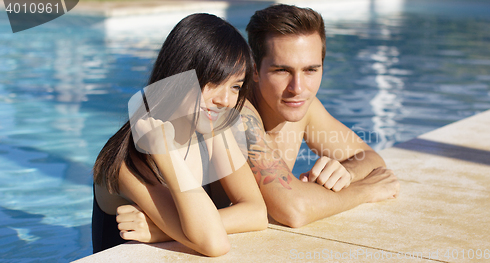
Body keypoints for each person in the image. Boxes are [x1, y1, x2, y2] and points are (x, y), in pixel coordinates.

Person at [117, 4, 400, 239]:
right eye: (282, 70)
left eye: (311, 69)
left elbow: (369, 157)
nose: (298, 87)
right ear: (254, 70)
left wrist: (347, 173)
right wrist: (365, 190)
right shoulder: (232, 114)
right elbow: (293, 209)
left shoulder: (303, 105)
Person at [92, 13, 267, 257]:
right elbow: (213, 242)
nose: (226, 100)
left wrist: (162, 231)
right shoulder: (127, 160)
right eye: (214, 81)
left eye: (235, 86)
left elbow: (257, 212)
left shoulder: (213, 130)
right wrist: (165, 154)